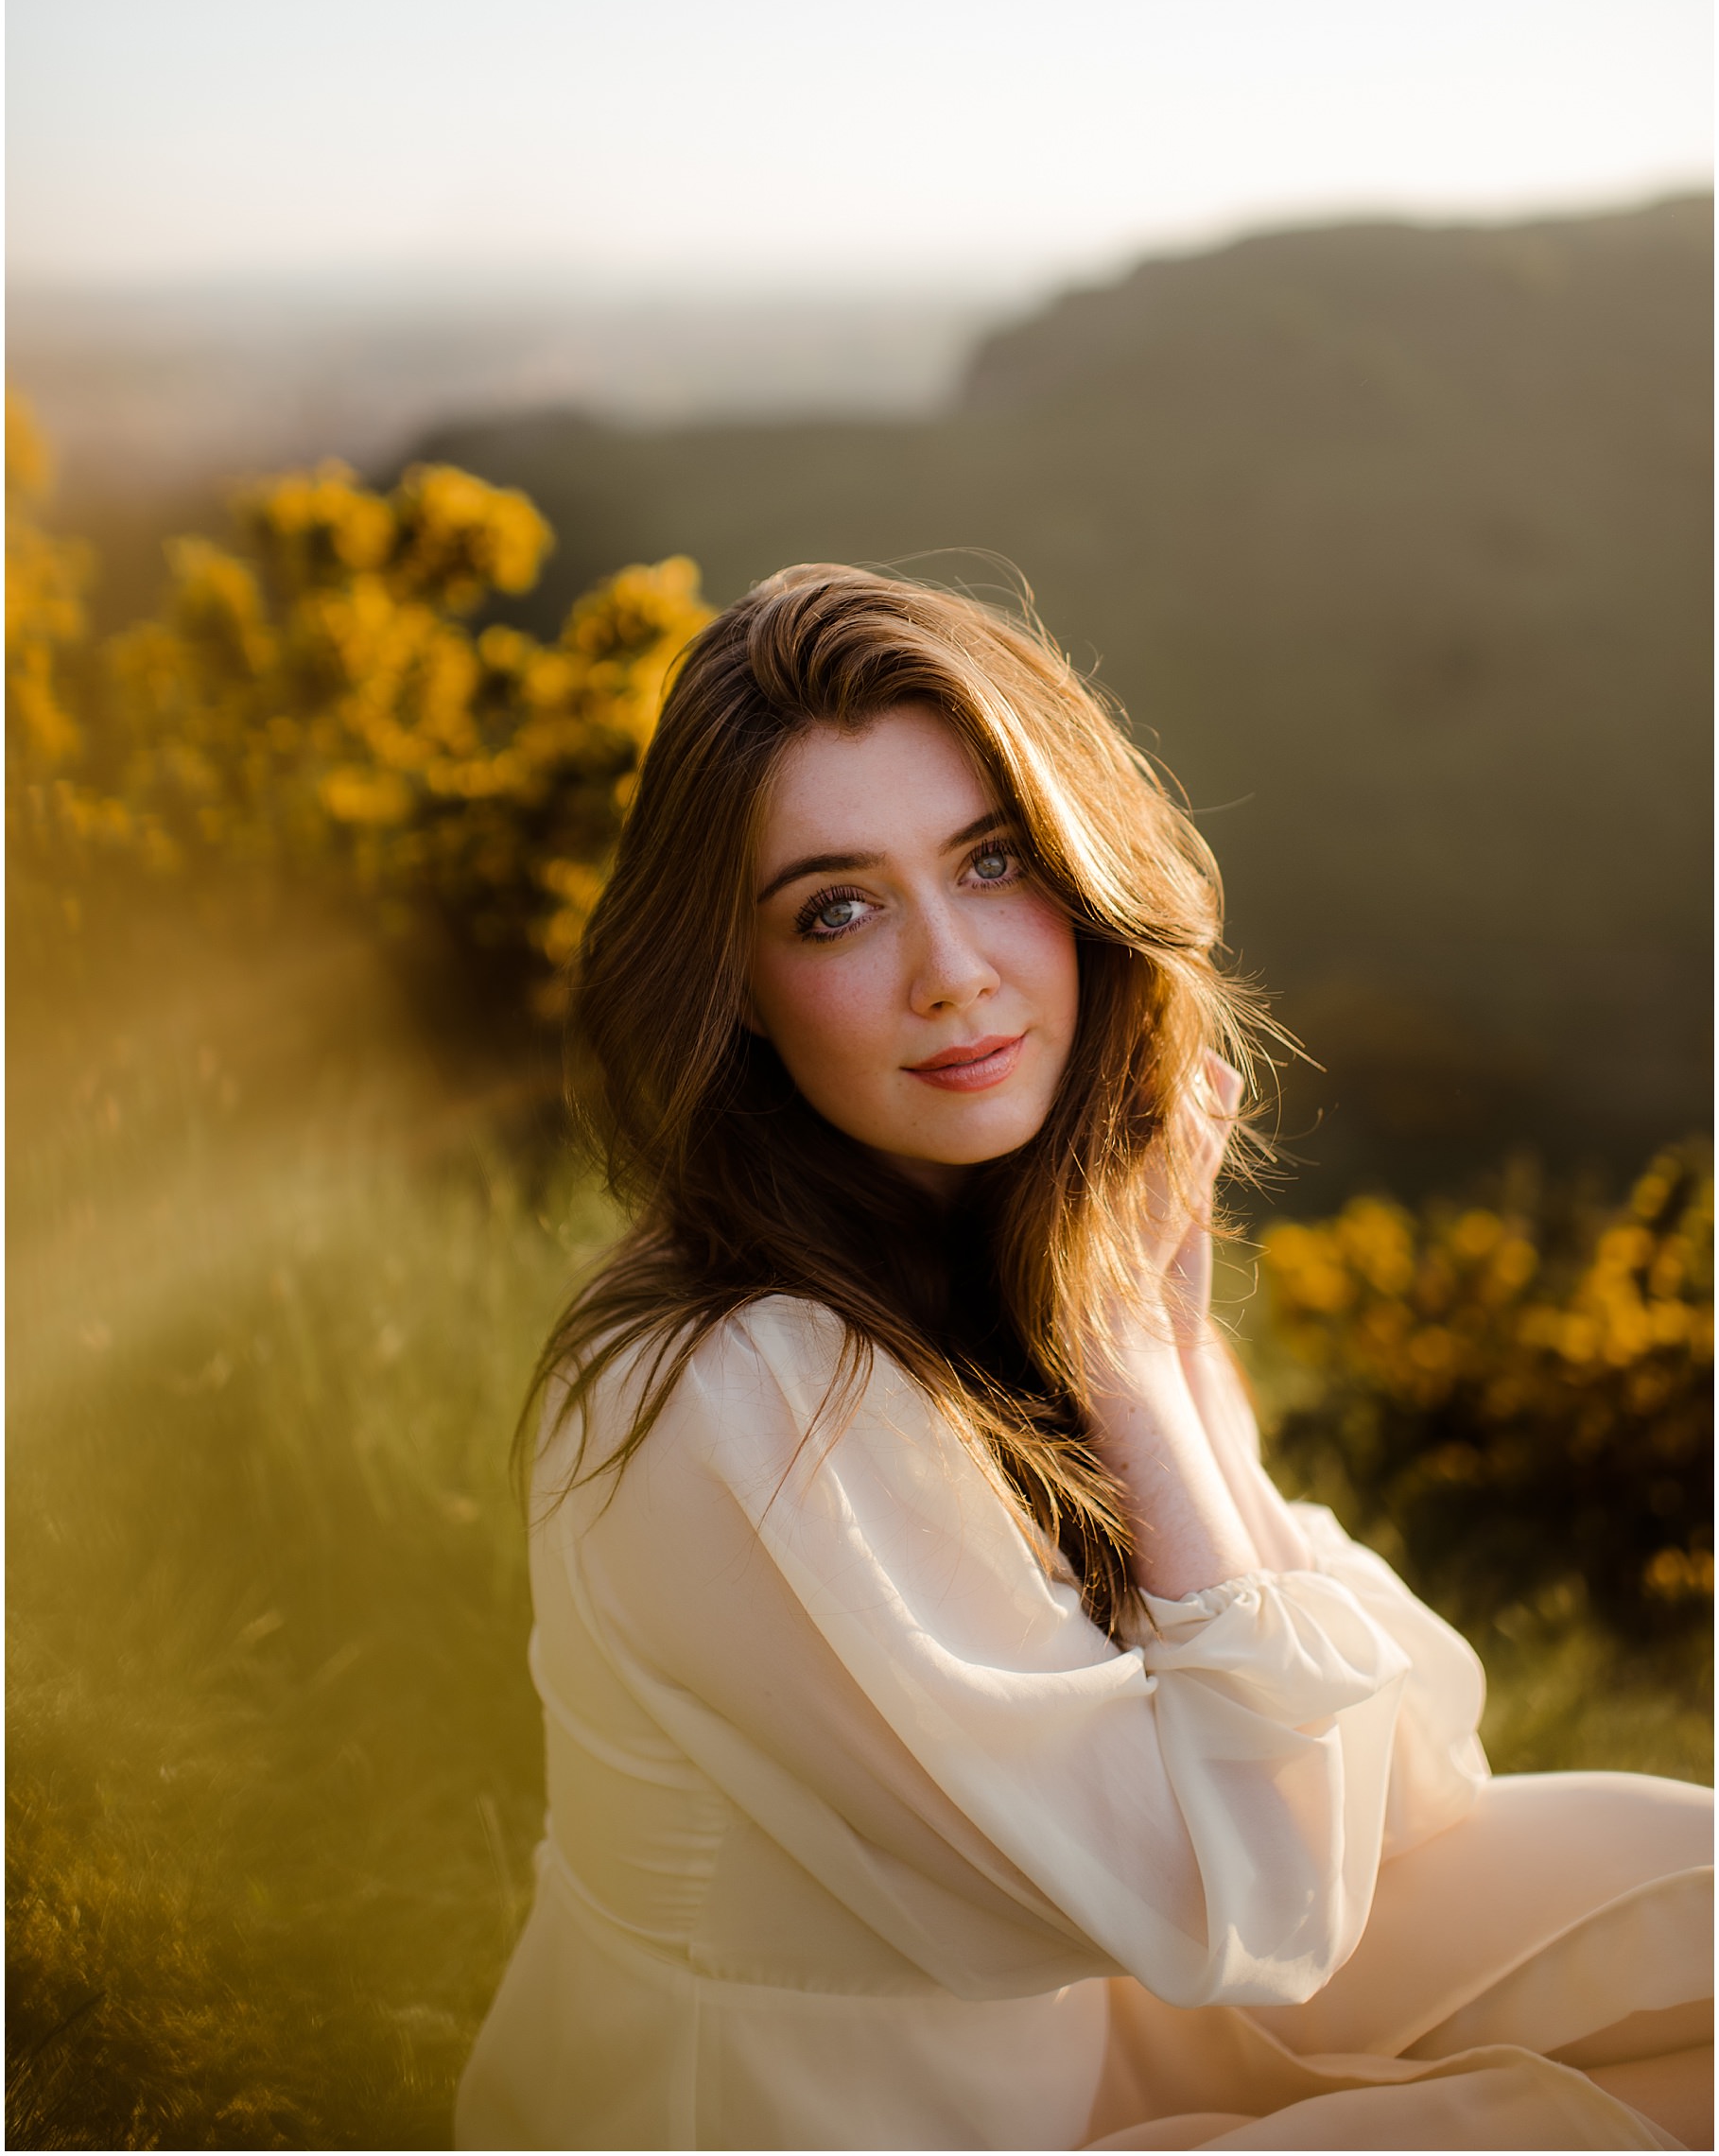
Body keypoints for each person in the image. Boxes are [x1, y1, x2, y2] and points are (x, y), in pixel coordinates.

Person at [457, 565, 1710, 2152]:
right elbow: (1256, 1898)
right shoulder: (747, 1392)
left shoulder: (1026, 1268)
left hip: (1093, 2050)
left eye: (990, 862)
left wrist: (1171, 1358)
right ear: (740, 990)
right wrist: (1136, 1359)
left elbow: (1404, 1773)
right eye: (834, 907)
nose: (952, 970)